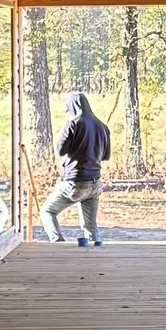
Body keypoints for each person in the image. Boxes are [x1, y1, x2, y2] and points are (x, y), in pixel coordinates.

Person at [39, 87, 111, 246]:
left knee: (47, 211)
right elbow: (106, 156)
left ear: (73, 106)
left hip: (75, 183)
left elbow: (60, 150)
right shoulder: (102, 127)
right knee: (90, 225)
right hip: (95, 184)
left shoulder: (72, 124)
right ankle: (95, 254)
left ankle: (58, 244)